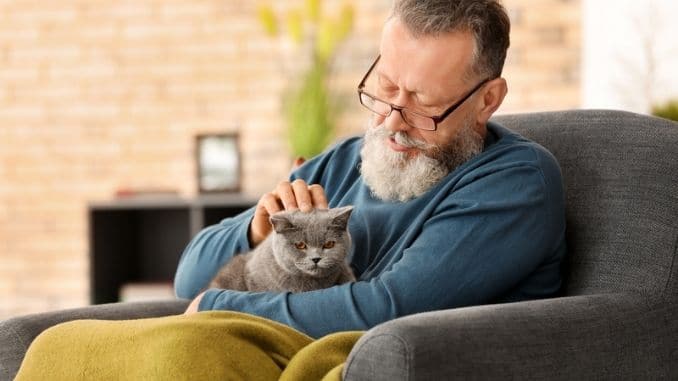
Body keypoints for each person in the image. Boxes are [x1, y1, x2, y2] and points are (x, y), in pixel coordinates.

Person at [177, 0, 566, 339]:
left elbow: (389, 310)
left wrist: (222, 309)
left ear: (487, 100)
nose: (392, 122)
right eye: (386, 88)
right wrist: (258, 232)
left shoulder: (517, 183)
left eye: (422, 102)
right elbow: (189, 277)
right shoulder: (350, 158)